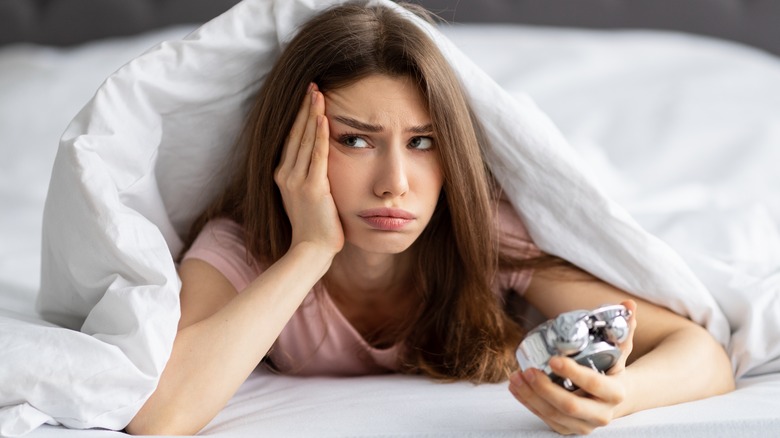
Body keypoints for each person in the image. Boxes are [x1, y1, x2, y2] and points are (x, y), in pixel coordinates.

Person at [126, 1, 734, 435]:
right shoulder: (245, 248)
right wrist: (310, 250)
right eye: (355, 141)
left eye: (423, 143)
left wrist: (620, 397)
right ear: (293, 145)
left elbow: (700, 351)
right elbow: (160, 416)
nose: (394, 184)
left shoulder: (482, 235)